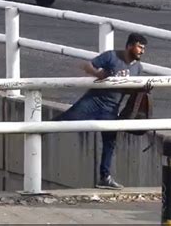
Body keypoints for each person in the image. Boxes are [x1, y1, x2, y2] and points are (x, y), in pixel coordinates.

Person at [54, 33, 148, 190]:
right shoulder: (111, 56)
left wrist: (141, 91)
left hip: (111, 108)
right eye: (140, 47)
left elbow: (131, 91)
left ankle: (105, 177)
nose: (142, 51)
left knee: (110, 142)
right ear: (130, 46)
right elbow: (87, 65)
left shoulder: (138, 68)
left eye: (144, 48)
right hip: (93, 101)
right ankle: (35, 133)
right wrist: (98, 74)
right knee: (64, 121)